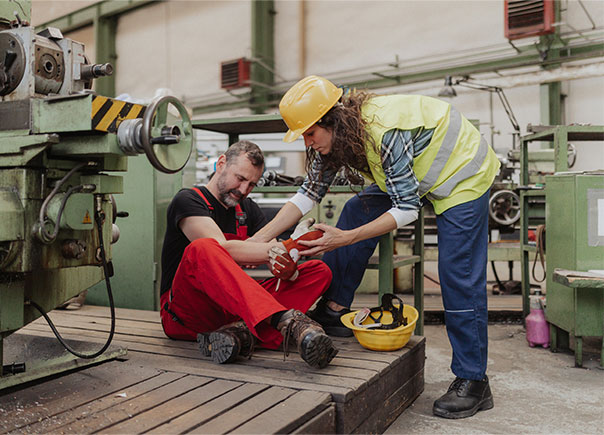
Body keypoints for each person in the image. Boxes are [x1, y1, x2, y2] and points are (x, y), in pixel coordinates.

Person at [251, 76, 499, 418]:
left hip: (461, 174)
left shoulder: (385, 131)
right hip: (419, 175)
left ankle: (473, 380)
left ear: (330, 121)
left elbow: (407, 208)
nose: (307, 143)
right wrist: (257, 241)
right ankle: (335, 309)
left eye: (309, 133)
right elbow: (308, 194)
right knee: (355, 210)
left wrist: (345, 237)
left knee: (457, 272)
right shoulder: (337, 139)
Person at [159, 140, 338, 369]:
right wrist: (288, 246)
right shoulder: (189, 200)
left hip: (234, 308)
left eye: (251, 184)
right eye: (240, 178)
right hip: (188, 312)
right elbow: (223, 248)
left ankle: (240, 335)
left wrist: (291, 260)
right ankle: (282, 322)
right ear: (221, 163)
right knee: (202, 248)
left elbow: (277, 263)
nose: (243, 190)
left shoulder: (248, 209)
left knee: (318, 271)